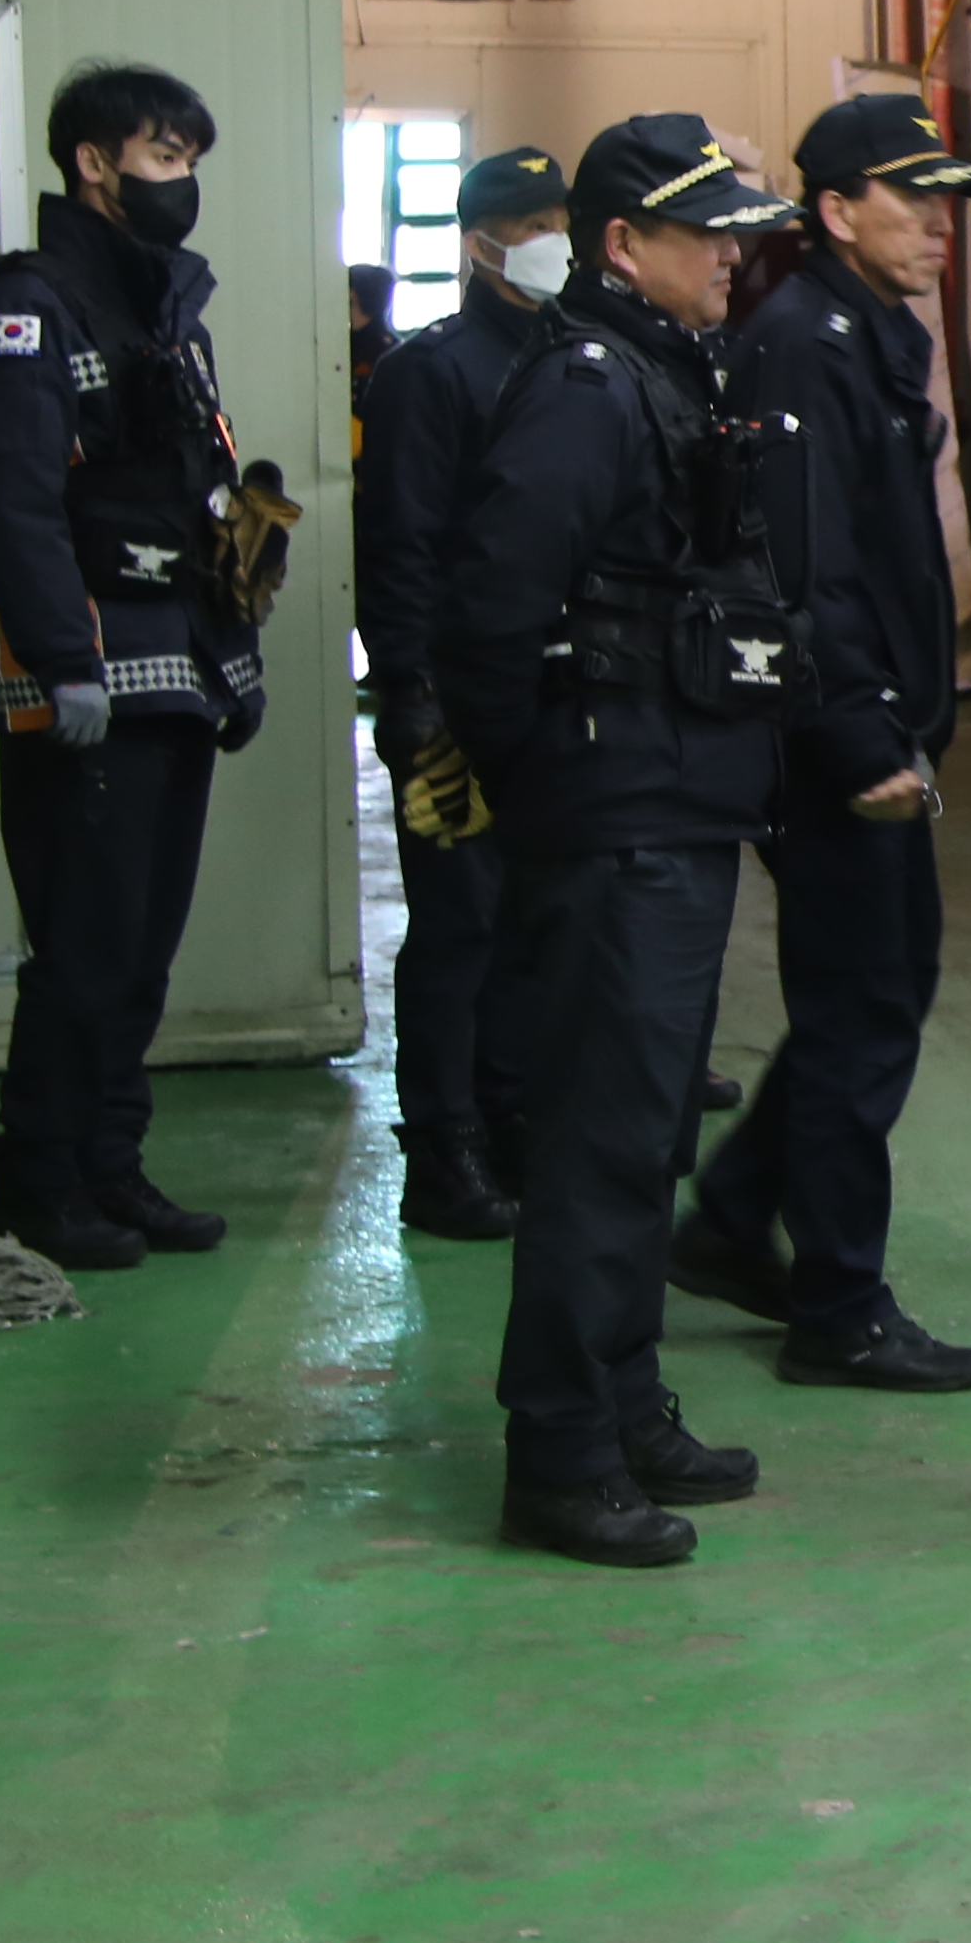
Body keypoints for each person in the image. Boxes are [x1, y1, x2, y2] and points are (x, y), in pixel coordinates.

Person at [431, 115, 800, 1568]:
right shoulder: (587, 389)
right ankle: (563, 1451)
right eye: (705, 233)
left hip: (669, 805)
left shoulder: (657, 369)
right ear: (622, 246)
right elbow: (489, 612)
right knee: (598, 1145)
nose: (732, 256)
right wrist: (550, 787)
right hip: (616, 817)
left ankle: (627, 1403)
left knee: (644, 1140)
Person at [671, 96, 971, 1396]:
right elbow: (805, 573)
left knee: (876, 994)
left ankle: (734, 1219)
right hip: (836, 746)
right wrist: (861, 735)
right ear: (836, 212)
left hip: (876, 723)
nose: (937, 224)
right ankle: (840, 1307)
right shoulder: (805, 346)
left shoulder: (865, 332)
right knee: (863, 1011)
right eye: (910, 198)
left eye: (945, 199)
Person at [0, 61, 289, 1272]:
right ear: (94, 164)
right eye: (163, 157)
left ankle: (108, 1164)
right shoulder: (23, 313)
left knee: (140, 953)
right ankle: (35, 1184)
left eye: (190, 161)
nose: (182, 181)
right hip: (87, 684)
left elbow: (201, 495)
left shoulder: (166, 316)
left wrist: (235, 653)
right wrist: (62, 659)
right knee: (84, 951)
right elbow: (15, 502)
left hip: (179, 672)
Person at [353, 141, 567, 1243]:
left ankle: (510, 1116)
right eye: (529, 228)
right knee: (459, 927)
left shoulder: (574, 361)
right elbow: (399, 547)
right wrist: (411, 696)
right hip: (454, 704)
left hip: (550, 697)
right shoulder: (428, 374)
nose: (550, 245)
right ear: (480, 244)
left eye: (560, 223)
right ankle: (442, 1149)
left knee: (533, 923)